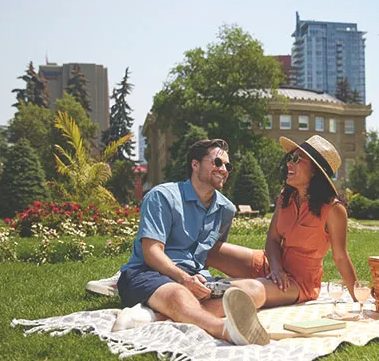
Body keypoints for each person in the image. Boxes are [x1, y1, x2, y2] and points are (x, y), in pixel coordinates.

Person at [109, 138, 269, 346]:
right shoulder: (162, 196)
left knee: (254, 290)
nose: (224, 170)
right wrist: (184, 279)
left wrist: (200, 282)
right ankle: (227, 330)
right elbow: (152, 251)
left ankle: (155, 317)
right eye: (217, 162)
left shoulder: (225, 209)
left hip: (196, 278)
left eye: (228, 166)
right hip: (147, 272)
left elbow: (210, 254)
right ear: (195, 164)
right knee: (178, 293)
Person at [205, 135, 359, 307]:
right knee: (209, 250)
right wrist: (276, 268)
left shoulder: (333, 209)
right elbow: (273, 239)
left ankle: (202, 289)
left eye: (296, 159)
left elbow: (340, 257)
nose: (289, 163)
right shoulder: (286, 198)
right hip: (270, 264)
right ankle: (182, 279)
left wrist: (359, 299)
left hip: (297, 283)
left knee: (250, 289)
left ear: (315, 170)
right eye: (290, 158)